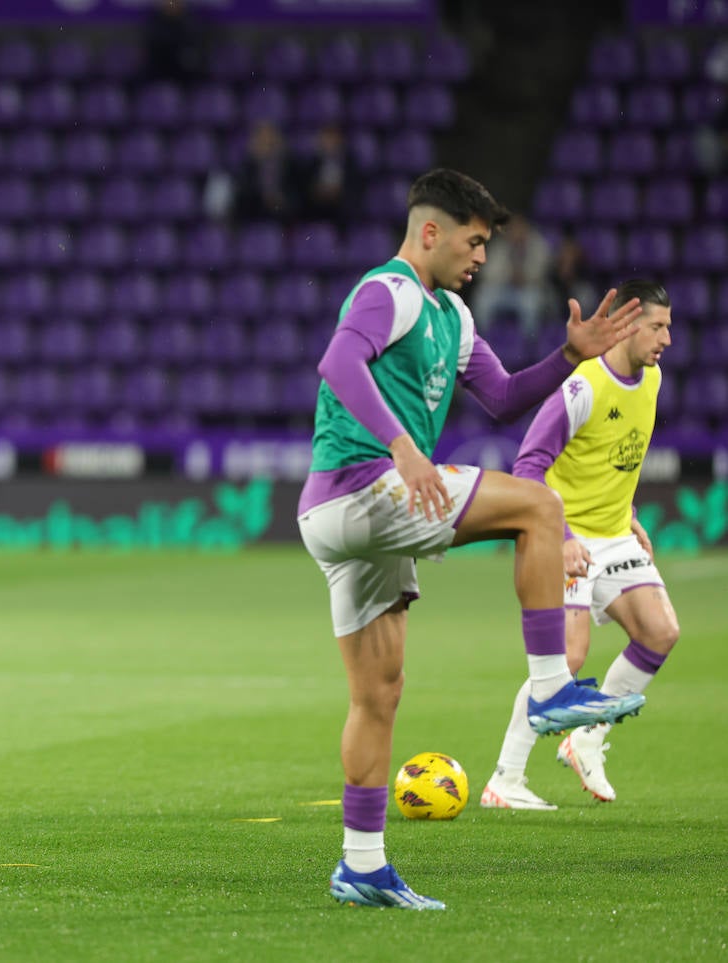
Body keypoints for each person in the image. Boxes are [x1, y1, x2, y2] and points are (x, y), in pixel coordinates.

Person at [295, 168, 648, 911]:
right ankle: (551, 686)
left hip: (352, 521)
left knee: (379, 693)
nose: (483, 256)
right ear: (430, 232)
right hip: (363, 487)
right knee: (539, 508)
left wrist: (570, 357)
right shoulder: (386, 291)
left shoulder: (451, 315)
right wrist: (399, 445)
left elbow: (503, 397)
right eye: (474, 241)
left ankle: (361, 865)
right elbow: (337, 363)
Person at [482, 280, 678, 810]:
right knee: (565, 658)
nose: (666, 338)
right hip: (564, 536)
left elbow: (619, 455)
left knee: (660, 631)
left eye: (669, 326)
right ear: (629, 325)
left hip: (613, 536)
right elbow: (527, 467)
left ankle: (585, 738)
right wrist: (562, 537)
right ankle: (505, 780)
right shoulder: (583, 386)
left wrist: (630, 513)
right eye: (657, 326)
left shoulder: (653, 379)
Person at [468, 213, 555, 336]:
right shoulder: (501, 246)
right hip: (504, 289)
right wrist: (507, 275)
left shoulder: (537, 244)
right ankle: (482, 338)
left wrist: (525, 277)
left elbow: (544, 270)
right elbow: (486, 274)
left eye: (520, 227)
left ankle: (529, 343)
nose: (517, 231)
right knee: (483, 297)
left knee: (530, 303)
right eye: (514, 228)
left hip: (529, 289)